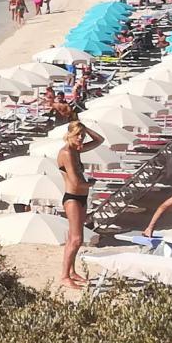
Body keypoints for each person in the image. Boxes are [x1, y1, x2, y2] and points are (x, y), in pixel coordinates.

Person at [58, 120, 105, 289]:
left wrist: (85, 127)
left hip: (80, 198)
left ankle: (71, 272)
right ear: (69, 134)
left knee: (73, 238)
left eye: (82, 136)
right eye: (77, 135)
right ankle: (64, 276)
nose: (81, 138)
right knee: (77, 239)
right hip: (72, 198)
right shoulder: (67, 153)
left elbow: (100, 140)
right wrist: (91, 184)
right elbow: (76, 182)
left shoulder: (76, 150)